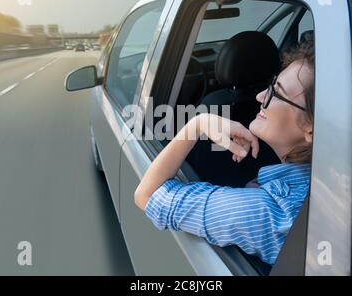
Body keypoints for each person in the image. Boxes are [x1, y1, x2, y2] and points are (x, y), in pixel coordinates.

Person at [134, 38, 315, 265]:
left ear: (311, 128)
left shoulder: (268, 212)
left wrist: (197, 124)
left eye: (277, 93)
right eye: (270, 84)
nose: (260, 96)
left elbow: (146, 195)